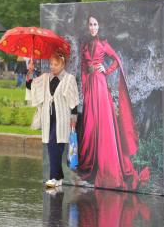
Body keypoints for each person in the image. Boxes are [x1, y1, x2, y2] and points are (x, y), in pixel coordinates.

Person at [78, 15, 149, 190]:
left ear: (99, 26)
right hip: (91, 88)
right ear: (87, 27)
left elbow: (118, 60)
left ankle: (107, 167)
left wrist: (106, 70)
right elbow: (83, 68)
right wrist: (85, 88)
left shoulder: (104, 44)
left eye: (95, 24)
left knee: (104, 124)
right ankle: (91, 167)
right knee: (90, 126)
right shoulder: (84, 46)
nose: (93, 27)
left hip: (102, 86)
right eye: (90, 24)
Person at [29, 53, 79, 188]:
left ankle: (54, 177)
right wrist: (30, 71)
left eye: (55, 64)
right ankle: (58, 178)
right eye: (51, 64)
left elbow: (73, 101)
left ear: (62, 64)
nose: (52, 67)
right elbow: (31, 86)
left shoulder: (69, 79)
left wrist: (74, 118)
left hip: (62, 118)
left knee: (54, 146)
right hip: (48, 118)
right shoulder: (46, 78)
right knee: (53, 147)